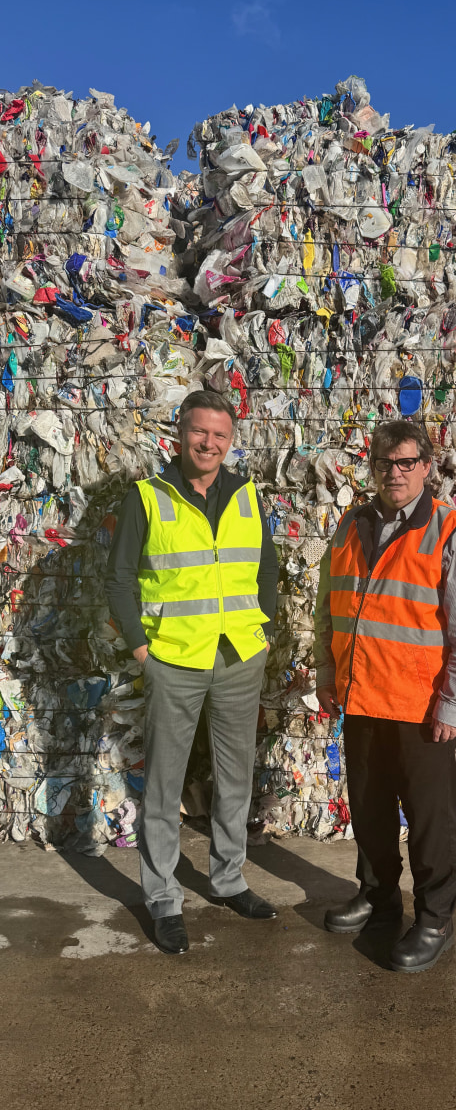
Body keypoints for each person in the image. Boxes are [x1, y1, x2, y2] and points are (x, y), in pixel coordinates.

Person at [314, 420, 456, 972]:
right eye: (386, 463)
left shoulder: (449, 531)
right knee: (368, 812)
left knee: (429, 820)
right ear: (373, 467)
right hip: (362, 700)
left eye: (407, 463)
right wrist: (327, 674)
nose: (396, 473)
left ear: (426, 467)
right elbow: (329, 610)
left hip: (420, 711)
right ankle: (379, 897)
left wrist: (455, 704)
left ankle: (436, 918)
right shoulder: (351, 526)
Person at [105, 390, 279, 955]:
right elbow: (119, 579)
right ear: (179, 435)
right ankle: (162, 898)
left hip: (237, 658)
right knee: (164, 783)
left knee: (236, 776)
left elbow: (266, 570)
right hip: (174, 659)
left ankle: (229, 880)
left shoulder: (247, 494)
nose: (209, 444)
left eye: (220, 436)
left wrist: (264, 632)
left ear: (231, 441)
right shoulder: (148, 497)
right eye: (199, 433)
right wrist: (139, 649)